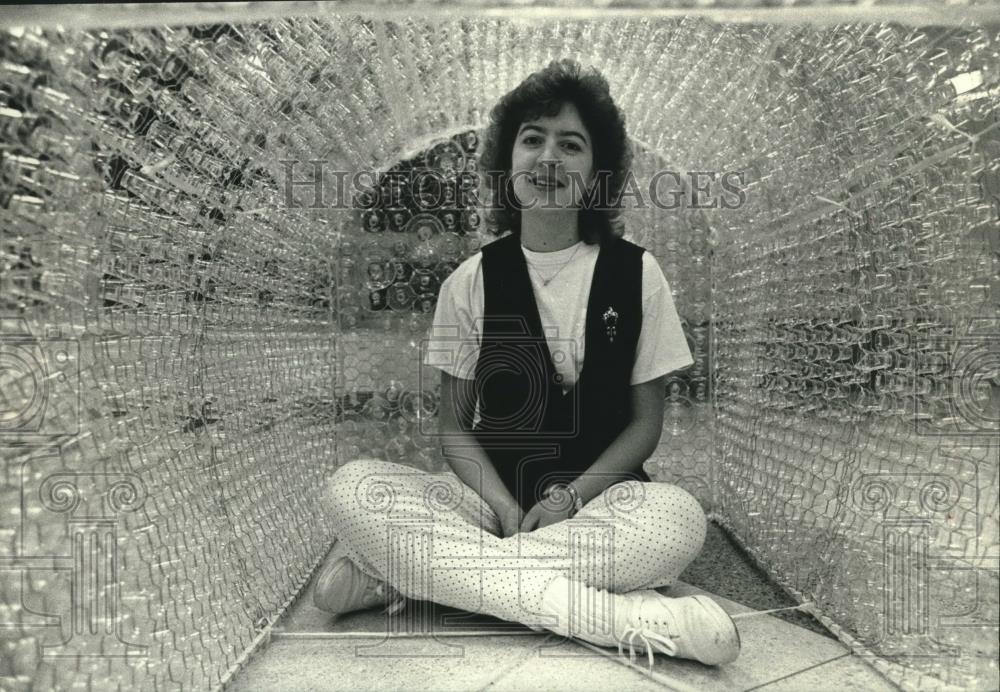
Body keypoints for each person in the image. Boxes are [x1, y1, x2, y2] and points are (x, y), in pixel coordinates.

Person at [316, 58, 740, 669]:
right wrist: (511, 513)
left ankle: (401, 576)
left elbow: (644, 426)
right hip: (490, 502)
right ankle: (615, 618)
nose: (549, 158)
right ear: (507, 163)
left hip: (601, 502)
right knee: (353, 487)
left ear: (596, 172)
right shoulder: (469, 281)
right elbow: (455, 430)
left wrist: (569, 500)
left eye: (571, 145)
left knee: (677, 519)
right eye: (532, 139)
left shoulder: (638, 274)